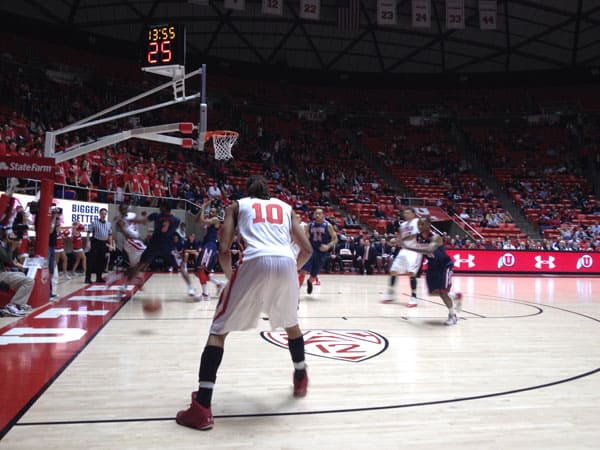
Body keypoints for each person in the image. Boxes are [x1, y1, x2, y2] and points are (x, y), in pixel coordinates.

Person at [176, 175, 313, 430]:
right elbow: (306, 250)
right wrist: (290, 273)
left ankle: (202, 407)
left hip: (255, 261)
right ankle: (301, 374)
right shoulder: (286, 207)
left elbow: (225, 248)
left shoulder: (237, 206)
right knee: (291, 323)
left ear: (247, 192)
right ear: (268, 192)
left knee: (219, 329)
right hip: (286, 262)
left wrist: (231, 278)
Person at [123, 202, 200, 298]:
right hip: (168, 246)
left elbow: (142, 221)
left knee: (140, 265)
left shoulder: (156, 215)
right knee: (181, 266)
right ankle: (191, 288)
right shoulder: (176, 220)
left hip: (154, 245)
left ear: (162, 208)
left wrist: (128, 219)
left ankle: (124, 286)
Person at [398, 217, 462, 325]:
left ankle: (453, 315)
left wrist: (408, 247)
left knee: (443, 292)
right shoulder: (418, 236)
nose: (419, 226)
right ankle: (454, 296)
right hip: (432, 266)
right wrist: (397, 240)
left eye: (422, 224)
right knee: (433, 292)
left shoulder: (436, 237)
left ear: (428, 224)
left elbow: (428, 250)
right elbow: (408, 240)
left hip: (444, 266)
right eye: (418, 224)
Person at [382, 207, 422, 307]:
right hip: (404, 250)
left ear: (413, 214)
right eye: (405, 213)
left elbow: (416, 235)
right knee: (393, 271)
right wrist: (395, 240)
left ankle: (413, 298)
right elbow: (401, 237)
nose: (406, 215)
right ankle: (390, 295)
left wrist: (401, 240)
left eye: (408, 213)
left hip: (414, 251)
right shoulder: (403, 225)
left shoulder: (418, 222)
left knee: (411, 273)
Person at [300, 208, 337, 294]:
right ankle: (296, 291)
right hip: (311, 251)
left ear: (323, 215)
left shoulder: (328, 226)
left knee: (314, 275)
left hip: (322, 252)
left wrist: (328, 246)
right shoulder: (309, 225)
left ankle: (310, 282)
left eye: (319, 214)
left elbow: (335, 239)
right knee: (303, 271)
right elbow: (305, 237)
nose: (317, 215)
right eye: (316, 214)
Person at [193, 199, 225, 300]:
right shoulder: (208, 219)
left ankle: (205, 295)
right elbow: (197, 221)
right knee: (197, 271)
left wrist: (203, 208)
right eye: (210, 211)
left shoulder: (215, 220)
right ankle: (218, 283)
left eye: (213, 211)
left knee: (201, 269)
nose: (211, 212)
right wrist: (201, 210)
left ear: (216, 213)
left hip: (210, 246)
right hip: (205, 245)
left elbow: (202, 221)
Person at [0, 225, 34, 317]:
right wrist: (12, 246)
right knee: (29, 281)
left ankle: (19, 303)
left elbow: (12, 260)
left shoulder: (4, 246)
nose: (12, 236)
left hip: (2, 272)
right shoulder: (3, 246)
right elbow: (8, 260)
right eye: (10, 234)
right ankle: (12, 305)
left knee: (21, 274)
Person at [85, 208, 114, 284]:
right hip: (95, 242)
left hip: (103, 243)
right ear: (100, 214)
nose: (103, 215)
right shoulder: (94, 222)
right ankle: (87, 278)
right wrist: (88, 242)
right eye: (102, 213)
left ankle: (99, 277)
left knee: (101, 261)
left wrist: (110, 245)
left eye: (105, 214)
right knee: (91, 261)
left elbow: (110, 235)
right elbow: (88, 232)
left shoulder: (109, 224)